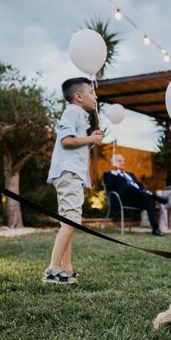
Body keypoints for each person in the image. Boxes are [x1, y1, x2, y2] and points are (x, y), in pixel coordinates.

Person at [42, 78, 104, 284]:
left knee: (68, 221)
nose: (95, 96)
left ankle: (66, 269)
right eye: (91, 92)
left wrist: (90, 141)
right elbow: (66, 141)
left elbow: (75, 144)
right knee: (71, 220)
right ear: (78, 96)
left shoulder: (78, 114)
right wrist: (91, 139)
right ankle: (53, 268)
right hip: (68, 173)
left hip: (69, 173)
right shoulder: (73, 111)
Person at [102, 153, 168, 236]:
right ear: (113, 163)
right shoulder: (109, 174)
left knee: (149, 201)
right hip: (121, 199)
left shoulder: (130, 175)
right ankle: (157, 198)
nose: (123, 163)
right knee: (128, 187)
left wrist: (143, 190)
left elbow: (140, 187)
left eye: (123, 161)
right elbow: (109, 187)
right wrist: (115, 172)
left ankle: (155, 229)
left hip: (135, 199)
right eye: (119, 161)